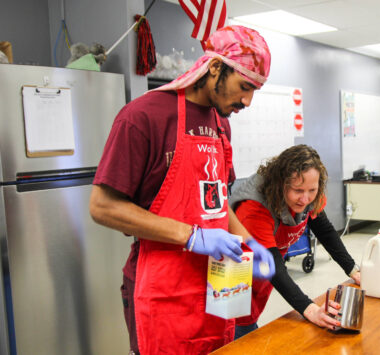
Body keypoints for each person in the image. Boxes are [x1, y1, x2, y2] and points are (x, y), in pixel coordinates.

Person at [89, 25, 276, 355]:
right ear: (215, 67)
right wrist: (192, 236)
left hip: (218, 284)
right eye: (244, 86)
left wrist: (248, 240)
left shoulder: (221, 123)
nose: (247, 101)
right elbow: (103, 206)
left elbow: (216, 201)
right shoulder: (144, 117)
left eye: (254, 91)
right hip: (163, 290)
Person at [229, 144, 361, 339]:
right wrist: (310, 309)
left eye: (312, 190)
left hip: (262, 280)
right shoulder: (255, 207)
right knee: (237, 335)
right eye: (298, 190)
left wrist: (353, 270)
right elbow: (272, 265)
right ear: (280, 184)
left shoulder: (308, 195)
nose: (305, 199)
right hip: (234, 282)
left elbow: (324, 230)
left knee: (250, 324)